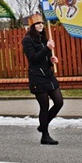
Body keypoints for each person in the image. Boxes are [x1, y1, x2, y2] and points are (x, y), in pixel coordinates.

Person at [22, 13, 62, 145]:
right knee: (44, 106)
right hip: (37, 77)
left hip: (48, 75)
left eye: (42, 23)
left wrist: (51, 60)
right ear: (32, 26)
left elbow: (45, 56)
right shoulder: (27, 40)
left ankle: (42, 125)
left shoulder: (44, 38)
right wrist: (47, 49)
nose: (41, 25)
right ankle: (45, 135)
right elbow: (33, 58)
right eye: (38, 24)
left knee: (59, 102)